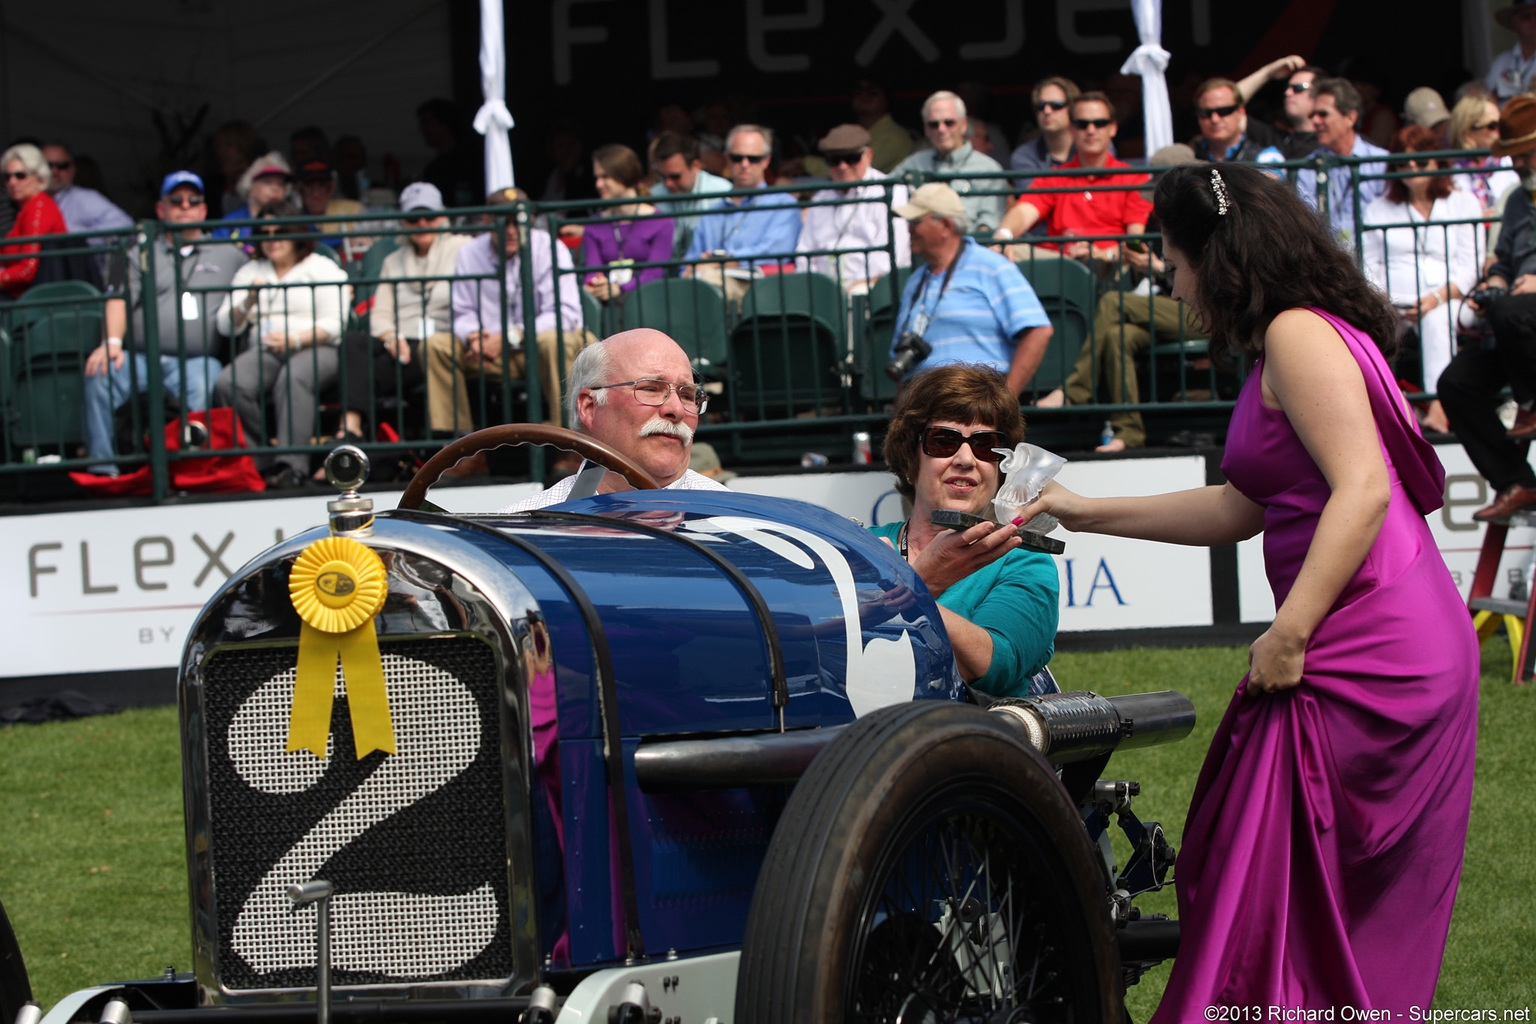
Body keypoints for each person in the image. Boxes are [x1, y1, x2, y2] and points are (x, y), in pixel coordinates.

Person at [1031, 163, 1477, 1016]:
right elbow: (1244, 506)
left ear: (1215, 254)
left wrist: (1291, 631)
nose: (1167, 274)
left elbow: (1364, 490)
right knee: (1262, 869)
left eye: (1169, 253)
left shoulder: (1299, 336)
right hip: (1379, 632)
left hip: (1370, 645)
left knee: (1256, 869)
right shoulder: (1298, 335)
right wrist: (1085, 512)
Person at [871, 364, 1058, 696]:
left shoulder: (1023, 559)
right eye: (943, 441)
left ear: (1001, 469)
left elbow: (994, 666)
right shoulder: (860, 544)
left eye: (986, 445)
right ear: (910, 462)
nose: (965, 458)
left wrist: (913, 587)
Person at [1035, 144, 1203, 451]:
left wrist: (1155, 268)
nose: (1155, 198)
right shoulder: (1167, 220)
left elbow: (1207, 280)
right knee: (1117, 335)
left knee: (1114, 303)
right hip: (1172, 308)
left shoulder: (1204, 220)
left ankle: (1075, 390)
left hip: (1205, 313)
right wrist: (1140, 267)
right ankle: (1129, 432)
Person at [84, 171, 246, 467]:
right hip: (141, 358)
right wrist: (111, 342)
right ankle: (102, 469)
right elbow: (117, 298)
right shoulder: (135, 251)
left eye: (193, 200)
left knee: (207, 381)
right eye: (176, 200)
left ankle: (192, 468)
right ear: (161, 209)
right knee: (101, 373)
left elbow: (256, 286)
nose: (185, 206)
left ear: (204, 209)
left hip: (197, 360)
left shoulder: (230, 254)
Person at [497, 328, 730, 510]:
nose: (677, 410)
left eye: (688, 395)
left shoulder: (739, 523)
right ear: (589, 407)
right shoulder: (521, 534)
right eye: (650, 389)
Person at [427, 187, 597, 434]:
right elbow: (462, 312)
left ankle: (572, 442)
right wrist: (474, 337)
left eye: (517, 222)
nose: (510, 231)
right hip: (490, 355)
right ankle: (458, 448)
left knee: (553, 341)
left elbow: (566, 314)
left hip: (539, 350)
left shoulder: (550, 247)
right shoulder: (469, 252)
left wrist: (508, 338)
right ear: (487, 221)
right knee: (436, 345)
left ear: (529, 220)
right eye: (502, 222)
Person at [1440, 95, 1536, 520]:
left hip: (1524, 320)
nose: (1517, 164)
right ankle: (1517, 481)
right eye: (1514, 156)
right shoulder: (1516, 199)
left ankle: (1531, 404)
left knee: (1512, 311)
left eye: (1524, 155)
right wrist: (1494, 281)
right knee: (1455, 383)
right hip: (1519, 332)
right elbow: (1501, 259)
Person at [212, 199, 350, 489]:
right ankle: (255, 463)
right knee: (230, 382)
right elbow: (226, 324)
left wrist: (296, 339)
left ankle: (291, 466)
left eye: (280, 232)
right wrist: (248, 299)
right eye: (266, 234)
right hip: (266, 350)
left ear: (297, 232)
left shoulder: (320, 267)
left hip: (317, 348)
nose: (272, 240)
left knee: (294, 377)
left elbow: (336, 323)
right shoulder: (251, 271)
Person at [331, 182, 468, 450]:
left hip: (439, 344)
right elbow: (380, 314)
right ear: (404, 223)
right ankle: (351, 428)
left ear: (442, 215)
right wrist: (391, 337)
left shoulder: (462, 248)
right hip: (400, 344)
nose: (422, 224)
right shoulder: (393, 260)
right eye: (413, 218)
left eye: (429, 216)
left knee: (365, 375)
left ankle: (353, 444)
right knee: (353, 341)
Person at [1361, 126, 1480, 434]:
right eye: (1403, 164)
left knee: (1437, 319)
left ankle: (1440, 405)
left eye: (1421, 162)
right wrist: (1387, 300)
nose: (1412, 170)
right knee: (1368, 324)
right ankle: (1386, 409)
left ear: (1437, 162)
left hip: (1451, 298)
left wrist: (1437, 298)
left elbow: (1471, 265)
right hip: (1394, 300)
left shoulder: (1463, 202)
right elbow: (1369, 265)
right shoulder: (1379, 208)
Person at [889, 183, 1053, 395]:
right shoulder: (915, 281)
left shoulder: (991, 266)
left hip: (974, 399)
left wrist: (1005, 402)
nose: (909, 229)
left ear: (946, 226)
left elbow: (1039, 331)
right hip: (921, 401)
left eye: (915, 222)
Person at [996, 92, 1152, 267]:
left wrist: (1102, 254)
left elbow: (1134, 241)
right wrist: (1004, 234)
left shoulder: (1134, 177)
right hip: (1062, 266)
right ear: (1071, 130)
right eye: (1082, 124)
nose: (1091, 130)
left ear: (1113, 128)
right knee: (1003, 251)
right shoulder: (1055, 176)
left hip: (1112, 267)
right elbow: (1024, 211)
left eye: (1099, 123)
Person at [682, 124, 801, 303]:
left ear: (766, 160)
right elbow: (689, 263)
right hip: (711, 286)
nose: (745, 164)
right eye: (737, 158)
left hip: (766, 286)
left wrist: (720, 261)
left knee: (706, 284)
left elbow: (775, 251)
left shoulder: (783, 204)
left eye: (753, 158)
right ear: (727, 159)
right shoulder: (712, 213)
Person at [793, 124, 910, 292]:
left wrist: (856, 287)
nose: (843, 167)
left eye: (851, 159)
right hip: (824, 291)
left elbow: (891, 258)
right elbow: (804, 253)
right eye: (834, 161)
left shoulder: (891, 192)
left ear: (868, 155)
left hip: (875, 288)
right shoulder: (820, 198)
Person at [892, 91, 1007, 231]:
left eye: (949, 122)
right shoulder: (913, 163)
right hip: (918, 248)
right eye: (934, 124)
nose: (941, 129)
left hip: (968, 247)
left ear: (963, 124)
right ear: (926, 129)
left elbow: (989, 225)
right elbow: (883, 193)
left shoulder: (989, 169)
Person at [1294, 78, 1389, 244]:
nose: (1315, 121)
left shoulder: (1381, 163)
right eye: (1312, 115)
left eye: (1323, 114)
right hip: (1332, 261)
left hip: (1377, 256)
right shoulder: (1306, 168)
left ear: (1350, 118)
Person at [581, 144, 674, 304]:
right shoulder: (594, 225)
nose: (598, 184)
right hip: (606, 305)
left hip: (648, 303)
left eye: (605, 177)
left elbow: (654, 274)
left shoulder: (661, 222)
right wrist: (594, 285)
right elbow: (592, 271)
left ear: (623, 175)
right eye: (597, 178)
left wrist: (620, 288)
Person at [649, 131, 732, 260]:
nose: (668, 183)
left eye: (675, 176)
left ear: (695, 166)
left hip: (707, 267)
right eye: (662, 176)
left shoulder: (721, 192)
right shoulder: (653, 196)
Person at [0, 143, 67, 299]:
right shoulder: (26, 209)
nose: (12, 182)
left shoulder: (38, 208)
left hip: (32, 302)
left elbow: (27, 270)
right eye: (7, 176)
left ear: (39, 177)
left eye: (20, 175)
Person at [41, 141, 132, 245]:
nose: (54, 171)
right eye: (48, 165)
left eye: (62, 166)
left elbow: (125, 226)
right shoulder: (30, 200)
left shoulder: (83, 198)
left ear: (72, 169)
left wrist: (78, 237)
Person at [1447, 93, 1519, 215]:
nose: (1500, 130)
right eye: (1493, 126)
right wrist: (1479, 217)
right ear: (1469, 136)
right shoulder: (1451, 175)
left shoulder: (1514, 161)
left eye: (1502, 123)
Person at [1187, 79, 1285, 163]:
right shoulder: (1187, 157)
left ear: (1240, 112)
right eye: (1206, 113)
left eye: (1223, 111)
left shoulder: (1266, 157)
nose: (1215, 119)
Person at [1008, 76, 1079, 184]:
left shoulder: (1094, 147)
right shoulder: (1024, 155)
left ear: (1073, 109)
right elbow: (1034, 199)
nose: (1047, 111)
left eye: (1056, 105)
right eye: (1041, 106)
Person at [214, 152, 293, 242]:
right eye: (267, 182)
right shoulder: (230, 223)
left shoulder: (294, 222)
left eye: (281, 184)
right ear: (250, 187)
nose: (275, 188)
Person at [850, 79, 913, 173]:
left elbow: (853, 170)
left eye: (873, 90)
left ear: (887, 99)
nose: (864, 95)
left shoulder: (895, 136)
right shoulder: (851, 132)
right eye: (858, 90)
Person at [1486, 0, 1536, 100]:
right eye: (1526, 16)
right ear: (1514, 22)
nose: (1534, 20)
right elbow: (1488, 97)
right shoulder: (1501, 61)